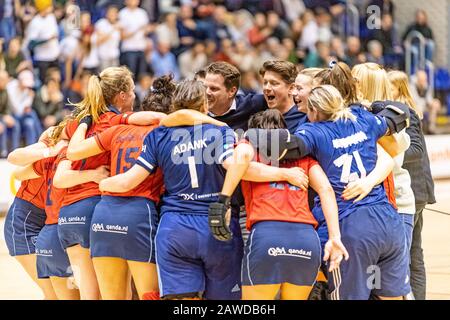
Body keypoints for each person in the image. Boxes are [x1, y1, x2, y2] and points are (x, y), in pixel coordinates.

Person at [98, 80, 307, 300]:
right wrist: (283, 174)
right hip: (215, 225)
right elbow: (239, 167)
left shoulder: (158, 135)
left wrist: (101, 182)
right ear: (204, 105)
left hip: (175, 228)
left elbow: (127, 182)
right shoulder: (218, 131)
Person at [245, 85, 411, 300]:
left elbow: (278, 146)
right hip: (388, 221)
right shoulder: (362, 118)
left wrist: (244, 134)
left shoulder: (314, 131)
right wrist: (373, 106)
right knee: (392, 296)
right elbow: (400, 113)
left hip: (351, 224)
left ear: (314, 111)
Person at [54, 66, 164, 300]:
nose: (136, 96)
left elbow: (52, 140)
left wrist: (83, 122)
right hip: (97, 207)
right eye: (133, 91)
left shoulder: (78, 123)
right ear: (122, 95)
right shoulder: (116, 122)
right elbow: (153, 118)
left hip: (66, 215)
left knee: (89, 294)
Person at [213, 109, 348, 300]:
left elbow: (240, 158)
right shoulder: (304, 157)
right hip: (306, 240)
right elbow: (326, 190)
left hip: (267, 236)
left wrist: (223, 201)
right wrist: (335, 236)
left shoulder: (250, 149)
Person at [388, 70, 436, 300]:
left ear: (398, 88)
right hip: (415, 191)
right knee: (414, 254)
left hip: (413, 192)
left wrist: (385, 154)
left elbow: (415, 150)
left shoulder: (406, 113)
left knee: (408, 255)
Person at [5, 127, 68, 299]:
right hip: (23, 223)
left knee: (59, 291)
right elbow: (14, 161)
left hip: (47, 223)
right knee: (53, 293)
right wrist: (48, 151)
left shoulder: (75, 151)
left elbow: (18, 174)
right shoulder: (52, 142)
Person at [259, 60, 307, 133]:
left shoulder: (304, 118)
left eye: (274, 83)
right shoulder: (259, 116)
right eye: (265, 83)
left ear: (291, 88)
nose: (267, 88)